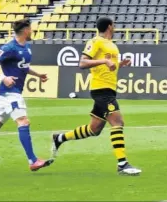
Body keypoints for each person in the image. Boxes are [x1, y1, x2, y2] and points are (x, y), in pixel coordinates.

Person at [51, 17, 141, 176]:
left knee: (94, 129)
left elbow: (109, 64)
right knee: (117, 121)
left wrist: (121, 64)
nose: (115, 27)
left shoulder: (112, 45)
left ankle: (59, 138)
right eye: (114, 25)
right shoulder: (96, 41)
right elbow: (82, 63)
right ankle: (122, 164)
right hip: (101, 89)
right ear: (110, 26)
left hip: (109, 89)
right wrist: (104, 62)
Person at [0, 19, 52, 171]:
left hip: (7, 94)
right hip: (10, 93)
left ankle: (33, 160)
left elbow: (23, 67)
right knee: (23, 121)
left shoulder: (26, 47)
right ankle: (33, 161)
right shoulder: (10, 47)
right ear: (25, 30)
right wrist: (3, 77)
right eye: (31, 29)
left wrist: (38, 74)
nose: (33, 31)